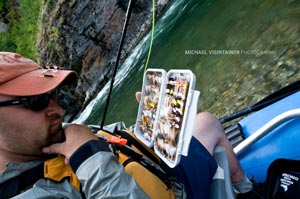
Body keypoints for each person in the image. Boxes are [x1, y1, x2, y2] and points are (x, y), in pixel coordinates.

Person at [0, 52, 253, 199]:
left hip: (162, 175)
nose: (58, 110)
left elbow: (112, 136)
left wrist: (149, 126)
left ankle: (247, 190)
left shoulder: (49, 138)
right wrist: (87, 156)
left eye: (54, 95)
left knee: (206, 121)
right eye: (37, 100)